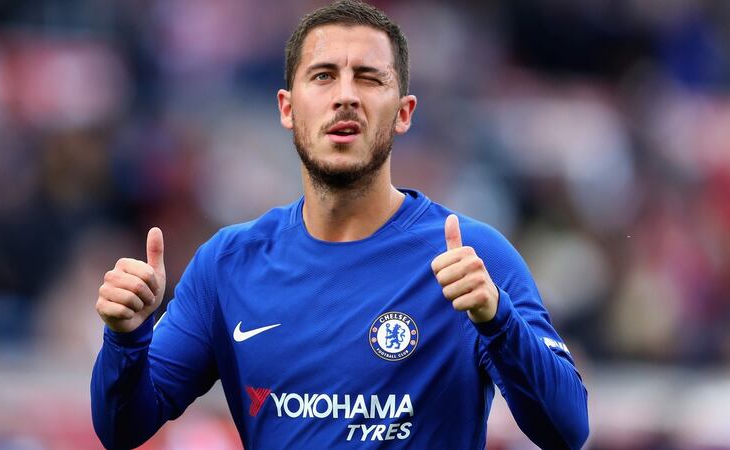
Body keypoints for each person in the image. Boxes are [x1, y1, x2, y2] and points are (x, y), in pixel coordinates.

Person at [90, 1, 589, 448]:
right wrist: (128, 338)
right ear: (288, 108)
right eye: (324, 75)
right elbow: (122, 429)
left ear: (403, 112)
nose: (346, 95)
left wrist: (498, 321)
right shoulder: (226, 264)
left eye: (369, 78)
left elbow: (567, 429)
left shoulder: (474, 258)